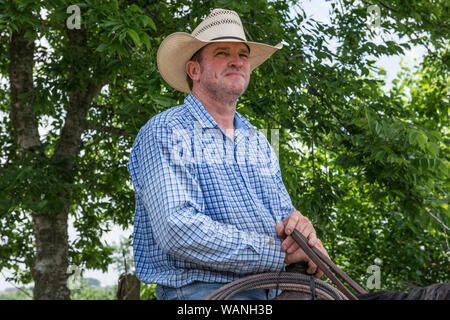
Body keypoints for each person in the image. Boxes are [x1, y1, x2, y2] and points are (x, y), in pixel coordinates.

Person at [128, 8, 329, 300]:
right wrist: (280, 255)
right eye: (222, 53)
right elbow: (178, 230)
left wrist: (305, 238)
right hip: (202, 292)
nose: (237, 61)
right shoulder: (166, 130)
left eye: (243, 55)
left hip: (274, 289)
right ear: (194, 70)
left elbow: (284, 220)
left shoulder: (257, 141)